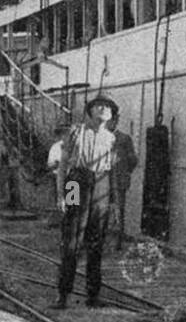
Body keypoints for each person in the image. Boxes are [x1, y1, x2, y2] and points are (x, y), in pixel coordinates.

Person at [54, 95, 117, 309]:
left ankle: (93, 295)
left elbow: (112, 171)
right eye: (99, 106)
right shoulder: (75, 132)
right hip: (75, 183)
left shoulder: (111, 138)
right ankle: (63, 294)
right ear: (90, 112)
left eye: (107, 107)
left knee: (96, 241)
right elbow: (63, 165)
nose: (103, 109)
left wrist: (113, 201)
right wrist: (61, 195)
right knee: (72, 238)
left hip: (101, 184)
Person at [108, 114, 138, 251]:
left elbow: (133, 160)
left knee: (119, 210)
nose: (110, 123)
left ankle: (117, 242)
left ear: (116, 121)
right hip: (103, 181)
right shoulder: (100, 138)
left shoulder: (124, 139)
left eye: (112, 121)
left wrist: (124, 172)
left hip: (119, 181)